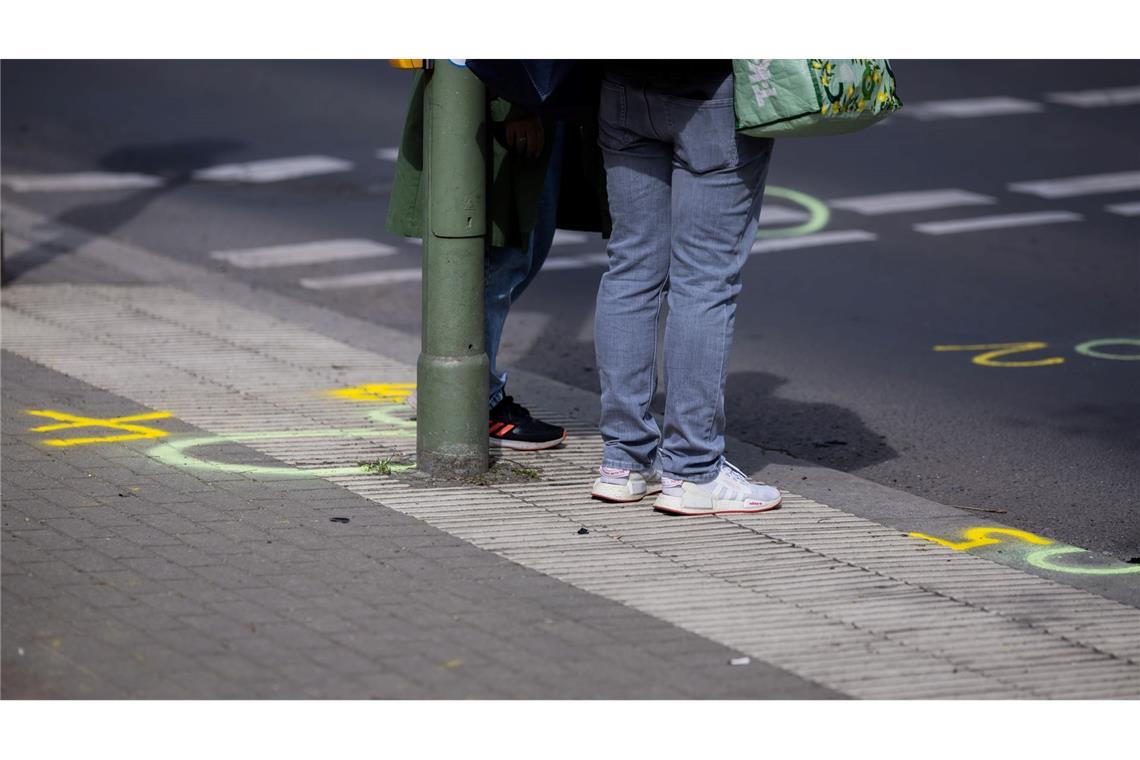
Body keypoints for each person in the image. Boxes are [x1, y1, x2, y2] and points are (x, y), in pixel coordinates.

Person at [589, 60, 783, 515]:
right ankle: (693, 471)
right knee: (704, 281)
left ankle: (623, 463)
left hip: (622, 83)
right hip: (712, 90)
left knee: (631, 269)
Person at [387, 69, 606, 451]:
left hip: (518, 93)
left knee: (514, 249)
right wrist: (519, 105)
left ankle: (456, 388)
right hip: (505, 93)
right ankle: (473, 398)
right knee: (503, 254)